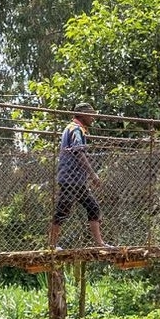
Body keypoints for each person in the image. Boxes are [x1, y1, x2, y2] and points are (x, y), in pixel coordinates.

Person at [49, 104, 108, 248]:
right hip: (70, 179)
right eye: (90, 114)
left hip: (76, 180)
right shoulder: (75, 129)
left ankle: (100, 243)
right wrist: (93, 175)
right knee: (62, 211)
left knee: (92, 207)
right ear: (81, 115)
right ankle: (51, 246)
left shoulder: (74, 128)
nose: (93, 117)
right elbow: (78, 152)